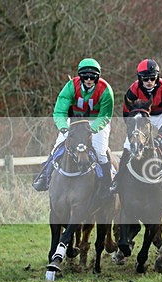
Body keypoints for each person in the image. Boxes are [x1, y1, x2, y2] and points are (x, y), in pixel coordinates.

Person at [32, 58, 114, 195]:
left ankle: (107, 184)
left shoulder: (106, 90)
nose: (88, 79)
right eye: (85, 76)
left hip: (96, 122)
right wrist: (63, 126)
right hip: (75, 121)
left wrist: (93, 129)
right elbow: (60, 111)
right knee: (56, 147)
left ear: (97, 77)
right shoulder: (70, 86)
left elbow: (105, 115)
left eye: (92, 77)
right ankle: (44, 178)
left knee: (100, 152)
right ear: (80, 76)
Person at [113, 58, 162, 200]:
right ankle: (117, 180)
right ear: (140, 79)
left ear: (157, 77)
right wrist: (132, 133)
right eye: (145, 79)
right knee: (127, 146)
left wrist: (160, 136)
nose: (149, 81)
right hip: (140, 115)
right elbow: (126, 114)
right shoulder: (133, 90)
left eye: (152, 78)